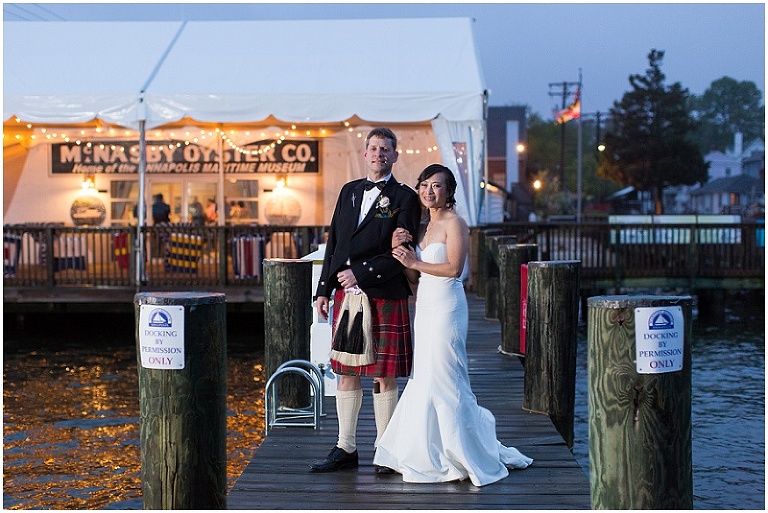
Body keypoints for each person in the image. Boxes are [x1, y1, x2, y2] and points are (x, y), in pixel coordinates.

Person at [373, 164, 533, 486]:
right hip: (426, 304)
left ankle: (460, 451)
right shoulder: (423, 227)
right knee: (426, 374)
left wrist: (416, 261)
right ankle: (426, 449)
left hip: (447, 304)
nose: (429, 191)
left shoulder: (454, 223)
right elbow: (413, 273)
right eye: (425, 185)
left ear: (449, 192)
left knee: (447, 374)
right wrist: (400, 251)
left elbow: (454, 269)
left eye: (437, 186)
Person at [309, 127, 421, 474]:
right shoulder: (349, 191)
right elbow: (335, 243)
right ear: (365, 153)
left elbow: (402, 252)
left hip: (383, 290)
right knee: (346, 371)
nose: (378, 154)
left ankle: (384, 449)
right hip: (345, 292)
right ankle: (346, 447)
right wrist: (323, 289)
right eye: (372, 148)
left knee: (384, 374)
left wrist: (362, 272)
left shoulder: (405, 198)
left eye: (385, 149)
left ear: (394, 156)